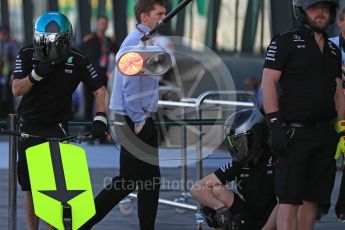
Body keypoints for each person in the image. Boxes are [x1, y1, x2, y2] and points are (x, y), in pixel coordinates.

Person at [11, 11, 107, 230]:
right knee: (30, 188)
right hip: (29, 126)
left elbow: (99, 90)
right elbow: (16, 89)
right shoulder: (26, 52)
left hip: (58, 127)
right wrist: (35, 75)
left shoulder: (78, 58)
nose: (50, 50)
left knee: (55, 188)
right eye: (44, 44)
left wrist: (101, 117)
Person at [79, 1, 166, 229]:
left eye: (165, 13)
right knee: (129, 180)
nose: (163, 18)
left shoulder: (144, 41)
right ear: (145, 17)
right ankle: (82, 223)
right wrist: (139, 120)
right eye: (159, 13)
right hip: (134, 120)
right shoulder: (137, 42)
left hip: (136, 118)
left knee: (149, 180)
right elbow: (130, 84)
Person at [261, 0, 345, 229]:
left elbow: (338, 92)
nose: (321, 12)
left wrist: (343, 130)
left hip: (325, 135)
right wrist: (275, 124)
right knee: (289, 201)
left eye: (326, 8)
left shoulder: (333, 49)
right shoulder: (284, 40)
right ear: (301, 10)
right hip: (293, 134)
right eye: (314, 7)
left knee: (312, 200)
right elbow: (268, 83)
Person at [190, 109, 277, 230]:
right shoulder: (239, 164)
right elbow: (196, 188)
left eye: (240, 142)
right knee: (214, 191)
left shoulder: (275, 160)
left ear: (256, 136)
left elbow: (283, 203)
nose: (237, 148)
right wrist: (219, 207)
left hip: (275, 223)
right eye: (233, 143)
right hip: (249, 219)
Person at [317, 6, 345, 222]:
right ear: (341, 23)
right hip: (328, 112)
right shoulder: (330, 45)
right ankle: (319, 203)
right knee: (324, 161)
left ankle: (342, 206)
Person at [78, 15, 118, 124]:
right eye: (101, 23)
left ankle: (102, 131)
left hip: (103, 77)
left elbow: (119, 55)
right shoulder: (89, 40)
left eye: (105, 24)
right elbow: (78, 53)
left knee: (103, 106)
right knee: (88, 104)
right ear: (97, 24)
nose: (103, 26)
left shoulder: (109, 41)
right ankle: (86, 130)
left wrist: (112, 72)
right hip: (89, 76)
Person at [0, 24, 19, 117]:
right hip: (7, 75)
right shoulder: (9, 43)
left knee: (9, 97)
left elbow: (13, 61)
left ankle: (10, 116)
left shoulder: (11, 44)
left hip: (10, 75)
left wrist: (11, 75)